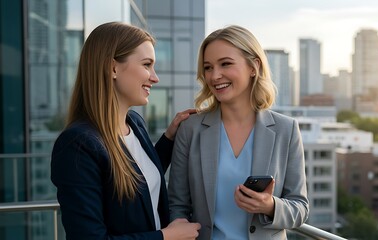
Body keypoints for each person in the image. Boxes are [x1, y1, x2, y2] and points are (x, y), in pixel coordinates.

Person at [51, 22, 200, 240]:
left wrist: (168, 139)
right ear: (113, 68)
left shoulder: (135, 123)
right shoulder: (78, 144)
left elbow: (135, 180)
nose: (155, 77)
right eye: (147, 64)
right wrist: (165, 236)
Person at [168, 25, 309, 240]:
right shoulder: (190, 129)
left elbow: (300, 208)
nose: (215, 76)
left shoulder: (285, 129)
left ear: (254, 66)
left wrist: (270, 206)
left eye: (225, 64)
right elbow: (177, 205)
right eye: (208, 67)